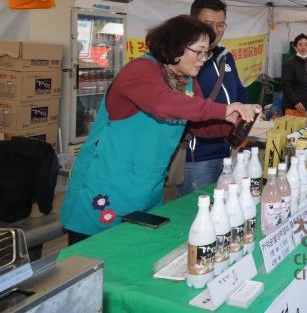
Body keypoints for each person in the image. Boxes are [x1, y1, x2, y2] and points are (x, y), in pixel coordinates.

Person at [60, 15, 257, 244]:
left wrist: (233, 123)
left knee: (137, 257)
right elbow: (163, 105)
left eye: (207, 52)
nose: (204, 59)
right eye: (199, 51)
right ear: (175, 47)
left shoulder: (186, 81)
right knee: (94, 258)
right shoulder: (140, 70)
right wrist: (223, 110)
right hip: (107, 184)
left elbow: (201, 127)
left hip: (147, 186)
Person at [178, 0, 256, 197]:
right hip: (198, 157)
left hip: (230, 150)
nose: (215, 30)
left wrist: (249, 111)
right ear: (193, 22)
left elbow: (240, 92)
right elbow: (190, 109)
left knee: (227, 212)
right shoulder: (184, 61)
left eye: (221, 25)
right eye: (208, 24)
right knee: (196, 213)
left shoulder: (225, 56)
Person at [281, 33, 307, 115]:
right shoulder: (289, 65)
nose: (303, 47)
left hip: (306, 109)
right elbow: (285, 85)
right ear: (295, 48)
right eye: (300, 45)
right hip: (292, 109)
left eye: (306, 45)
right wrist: (296, 102)